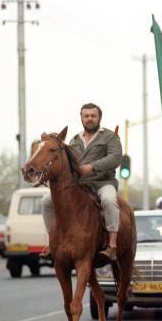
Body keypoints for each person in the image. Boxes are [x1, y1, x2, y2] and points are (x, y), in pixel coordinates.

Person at [41, 102, 122, 261]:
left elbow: (115, 158)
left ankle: (112, 245)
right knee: (46, 201)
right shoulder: (74, 140)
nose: (89, 119)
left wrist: (92, 167)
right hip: (79, 184)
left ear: (99, 117)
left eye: (93, 116)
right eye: (86, 116)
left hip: (103, 183)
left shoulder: (110, 136)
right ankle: (52, 242)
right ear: (81, 118)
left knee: (109, 200)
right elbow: (65, 162)